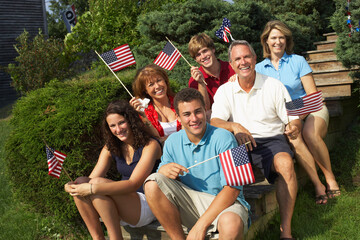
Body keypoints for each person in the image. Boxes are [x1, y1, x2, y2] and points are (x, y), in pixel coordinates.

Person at [211, 40, 300, 240]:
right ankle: (225, 222)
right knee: (227, 176)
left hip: (271, 140)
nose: (243, 62)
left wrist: (294, 127)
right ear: (231, 64)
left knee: (286, 164)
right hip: (240, 143)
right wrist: (235, 126)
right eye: (238, 59)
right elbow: (214, 121)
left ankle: (286, 231)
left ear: (255, 58)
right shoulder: (226, 90)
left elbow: (294, 117)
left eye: (246, 57)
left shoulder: (274, 85)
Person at [144, 88, 250, 240]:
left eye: (198, 111)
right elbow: (162, 178)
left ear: (206, 112)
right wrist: (163, 169)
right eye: (187, 114)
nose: (194, 118)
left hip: (227, 204)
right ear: (178, 118)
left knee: (230, 223)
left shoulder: (227, 138)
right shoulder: (171, 142)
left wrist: (200, 226)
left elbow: (233, 189)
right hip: (191, 203)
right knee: (152, 183)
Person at [255, 20, 340, 203]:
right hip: (285, 117)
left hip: (311, 109)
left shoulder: (298, 61)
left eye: (281, 37)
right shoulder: (258, 69)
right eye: (273, 38)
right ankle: (318, 184)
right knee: (294, 136)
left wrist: (294, 116)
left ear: (287, 40)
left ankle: (330, 178)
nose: (278, 42)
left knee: (309, 133)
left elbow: (313, 96)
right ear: (266, 42)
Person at [64, 100, 162, 240]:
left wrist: (91, 188)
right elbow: (91, 179)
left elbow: (133, 184)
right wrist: (72, 187)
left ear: (132, 121)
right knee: (81, 182)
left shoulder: (150, 145)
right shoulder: (111, 147)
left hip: (147, 204)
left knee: (96, 186)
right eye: (112, 126)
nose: (118, 129)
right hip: (123, 204)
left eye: (121, 122)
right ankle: (98, 237)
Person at [130, 64, 181, 143]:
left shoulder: (180, 102)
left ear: (165, 81)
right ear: (145, 90)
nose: (157, 86)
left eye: (159, 80)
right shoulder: (144, 112)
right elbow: (155, 139)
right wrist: (143, 116)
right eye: (151, 84)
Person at [188, 33, 235, 112]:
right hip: (215, 120)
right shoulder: (194, 81)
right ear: (195, 59)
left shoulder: (232, 67)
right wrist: (201, 83)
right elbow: (204, 109)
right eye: (198, 55)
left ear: (213, 49)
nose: (203, 56)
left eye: (205, 51)